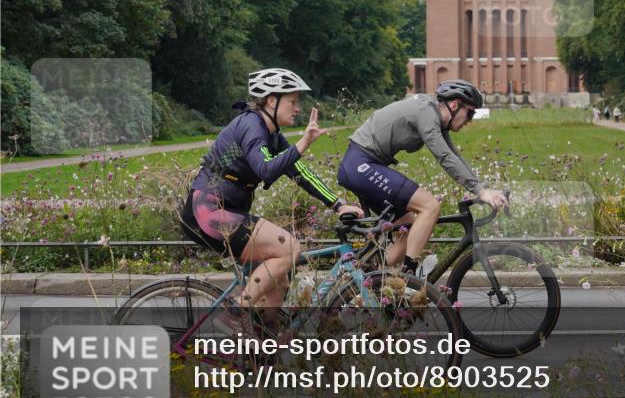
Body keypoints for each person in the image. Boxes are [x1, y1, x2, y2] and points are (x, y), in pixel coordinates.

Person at [181, 68, 363, 315]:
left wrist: (338, 204)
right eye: (292, 102)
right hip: (207, 211)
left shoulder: (272, 136)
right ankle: (238, 312)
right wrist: (303, 143)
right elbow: (265, 170)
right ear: (271, 101)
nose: (297, 108)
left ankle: (261, 337)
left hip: (226, 210)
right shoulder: (251, 126)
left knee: (278, 286)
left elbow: (301, 172)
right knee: (288, 249)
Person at [337, 79, 508, 274]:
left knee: (408, 228)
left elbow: (454, 156)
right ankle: (409, 277)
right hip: (360, 164)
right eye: (470, 112)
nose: (471, 119)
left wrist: (482, 188)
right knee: (430, 206)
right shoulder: (426, 114)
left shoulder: (435, 118)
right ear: (454, 105)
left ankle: (371, 276)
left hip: (363, 165)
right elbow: (444, 157)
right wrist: (481, 192)